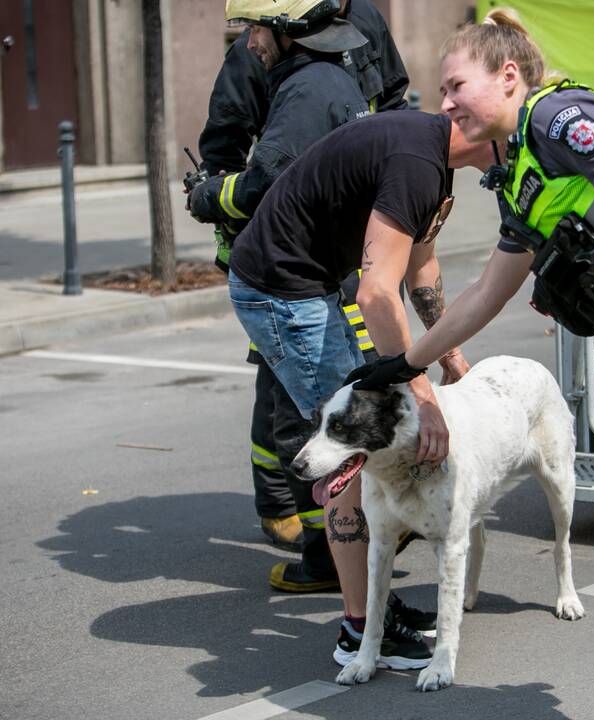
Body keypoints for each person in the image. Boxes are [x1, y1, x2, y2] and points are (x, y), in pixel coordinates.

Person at [347, 10, 594, 720]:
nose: (444, 104)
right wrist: (399, 364)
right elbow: (480, 297)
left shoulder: (560, 120)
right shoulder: (520, 174)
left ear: (508, 76)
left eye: (455, 85)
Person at [226, 109, 489, 669]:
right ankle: (360, 628)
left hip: (304, 285)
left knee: (363, 437)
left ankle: (371, 606)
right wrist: (423, 395)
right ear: (486, 129)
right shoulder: (417, 160)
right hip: (281, 290)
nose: (518, 163)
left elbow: (421, 268)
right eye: (517, 145)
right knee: (350, 445)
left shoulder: (433, 164)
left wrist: (453, 357)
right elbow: (375, 295)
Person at [191, 0, 411, 593]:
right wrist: (220, 200)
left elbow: (390, 105)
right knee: (301, 388)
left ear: (284, 29)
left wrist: (212, 198)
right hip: (302, 255)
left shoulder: (343, 36)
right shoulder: (298, 45)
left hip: (318, 256)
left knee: (322, 401)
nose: (247, 43)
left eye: (253, 31)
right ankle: (299, 519)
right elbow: (229, 138)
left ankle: (337, 553)